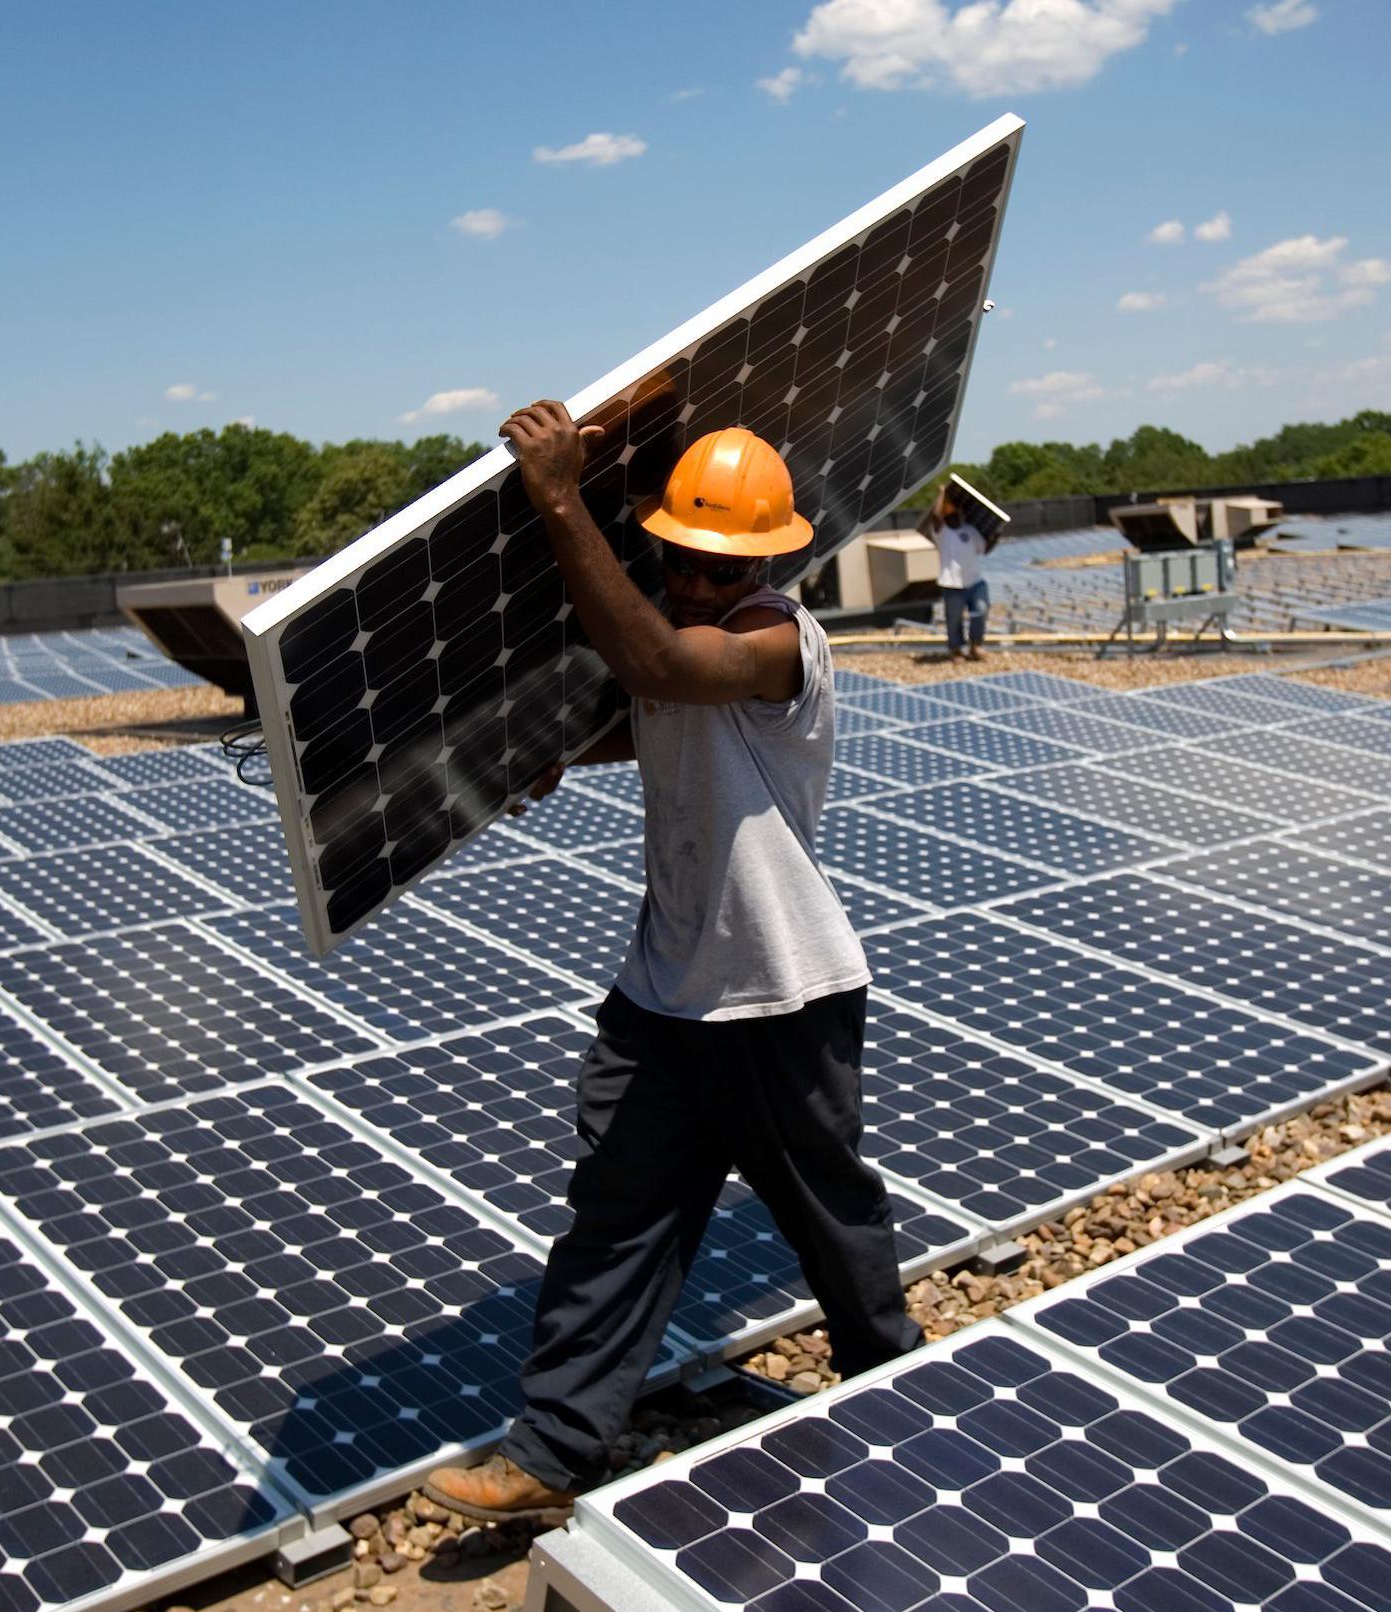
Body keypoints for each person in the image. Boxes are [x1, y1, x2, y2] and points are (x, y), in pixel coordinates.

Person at [421, 403, 920, 1526]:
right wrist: (548, 747)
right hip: (664, 994)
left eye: (720, 564)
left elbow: (664, 661)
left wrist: (556, 497)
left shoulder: (784, 642)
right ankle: (551, 1452)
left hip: (781, 990)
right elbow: (652, 700)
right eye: (679, 560)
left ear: (775, 554)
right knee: (616, 1217)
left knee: (830, 1222)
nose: (693, 583)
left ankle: (901, 1394)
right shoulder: (692, 650)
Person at [918, 486, 997, 660]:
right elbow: (935, 517)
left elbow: (984, 549)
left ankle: (976, 645)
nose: (957, 512)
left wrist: (996, 535)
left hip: (975, 582)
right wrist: (942, 493)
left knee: (981, 610)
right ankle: (956, 649)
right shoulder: (942, 531)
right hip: (951, 584)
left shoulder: (970, 531)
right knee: (954, 620)